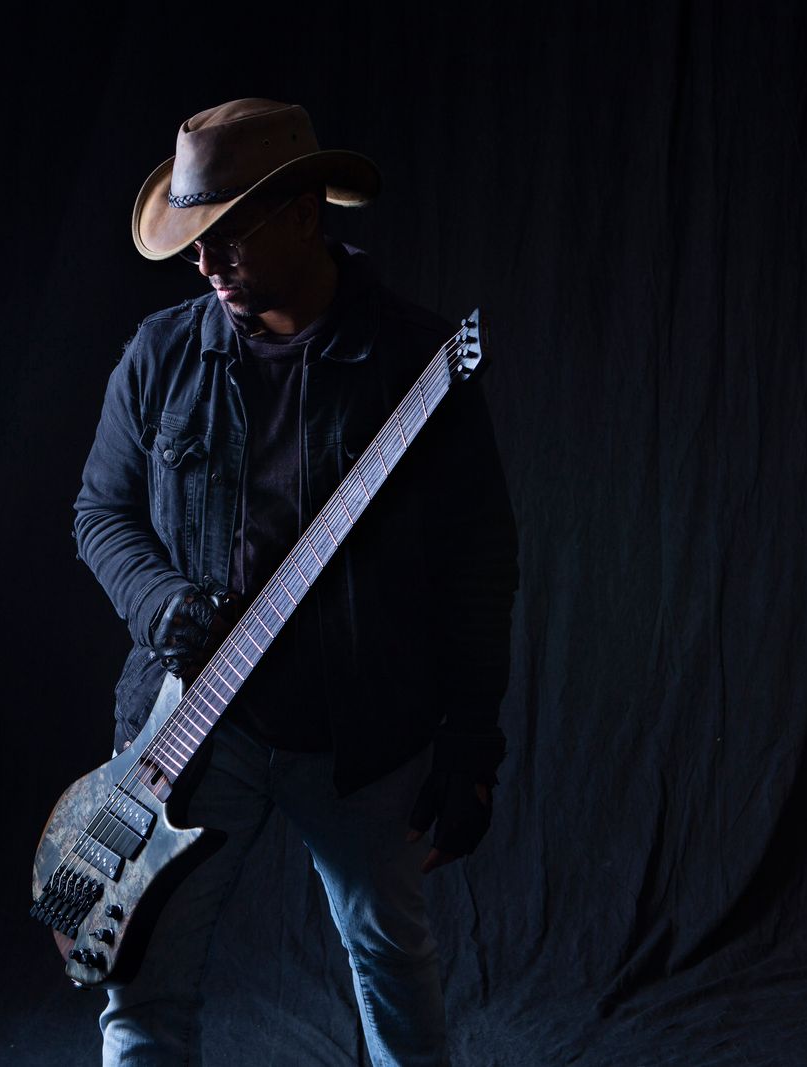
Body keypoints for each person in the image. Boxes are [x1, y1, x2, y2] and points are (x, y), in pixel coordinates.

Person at [72, 98, 519, 1067]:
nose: (206, 261)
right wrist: (161, 603)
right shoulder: (160, 354)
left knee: (393, 967)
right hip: (194, 730)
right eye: (193, 238)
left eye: (228, 234)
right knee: (141, 986)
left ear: (306, 214)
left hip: (362, 730)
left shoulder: (413, 362)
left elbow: (478, 562)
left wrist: (472, 737)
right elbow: (100, 513)